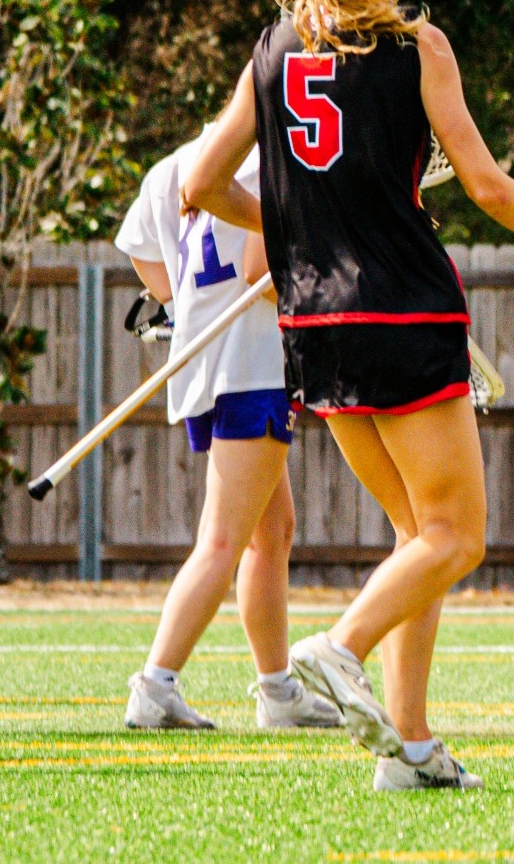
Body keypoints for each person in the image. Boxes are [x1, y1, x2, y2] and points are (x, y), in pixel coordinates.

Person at [183, 0, 514, 791]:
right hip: (405, 311)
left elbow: (196, 187)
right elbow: (485, 185)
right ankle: (339, 645)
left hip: (315, 324)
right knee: (458, 538)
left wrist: (298, 227)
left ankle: (413, 748)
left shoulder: (272, 51)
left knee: (412, 530)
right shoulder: (417, 47)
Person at [113, 132, 342, 733]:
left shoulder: (180, 162)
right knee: (223, 540)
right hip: (251, 366)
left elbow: (140, 248)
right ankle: (156, 683)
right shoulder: (278, 156)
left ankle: (277, 690)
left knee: (271, 532)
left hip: (203, 366)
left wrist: (183, 304)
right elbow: (261, 273)